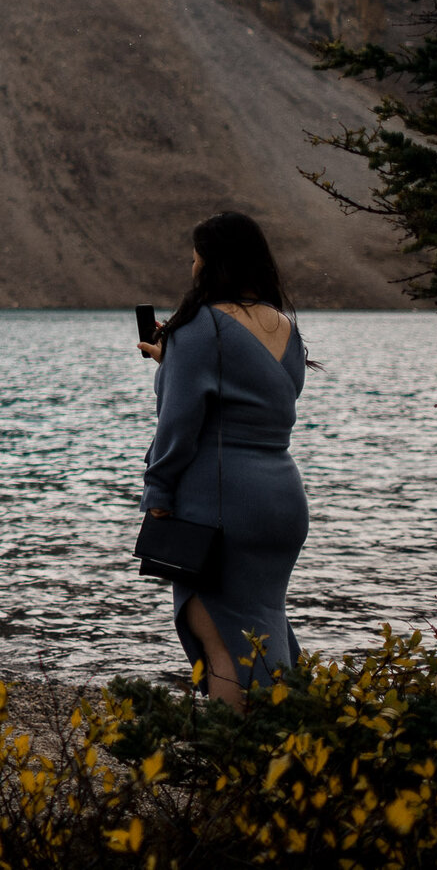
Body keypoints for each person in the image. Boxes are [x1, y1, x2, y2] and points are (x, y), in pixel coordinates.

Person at [138, 212, 309, 706]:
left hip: (222, 503)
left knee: (222, 643)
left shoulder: (199, 327)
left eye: (194, 258)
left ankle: (234, 771)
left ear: (211, 262)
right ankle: (292, 754)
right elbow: (247, 396)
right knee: (264, 630)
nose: (191, 267)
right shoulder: (285, 328)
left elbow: (177, 425)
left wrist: (157, 493)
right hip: (281, 500)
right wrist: (174, 360)